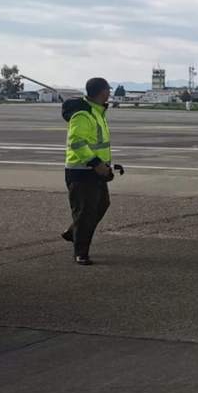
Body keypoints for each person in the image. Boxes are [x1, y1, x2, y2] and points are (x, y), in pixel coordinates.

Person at [61, 78, 120, 265]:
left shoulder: (97, 111)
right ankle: (81, 253)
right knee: (85, 212)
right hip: (82, 172)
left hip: (96, 171)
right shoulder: (83, 114)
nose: (109, 94)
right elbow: (78, 143)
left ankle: (74, 232)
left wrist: (106, 166)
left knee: (102, 204)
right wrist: (96, 164)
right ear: (103, 92)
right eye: (107, 90)